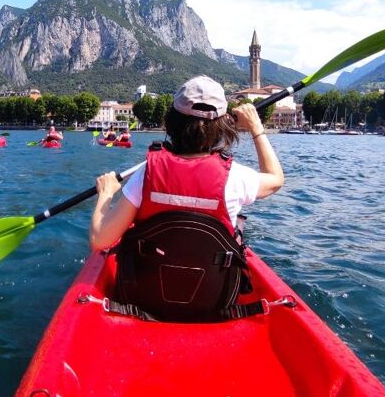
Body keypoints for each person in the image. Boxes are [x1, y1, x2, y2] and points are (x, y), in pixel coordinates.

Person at [89, 75, 284, 320]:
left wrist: (105, 195)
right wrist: (256, 127)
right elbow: (275, 179)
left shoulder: (146, 174)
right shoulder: (236, 177)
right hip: (213, 304)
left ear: (172, 121)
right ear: (223, 125)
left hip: (144, 302)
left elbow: (99, 239)